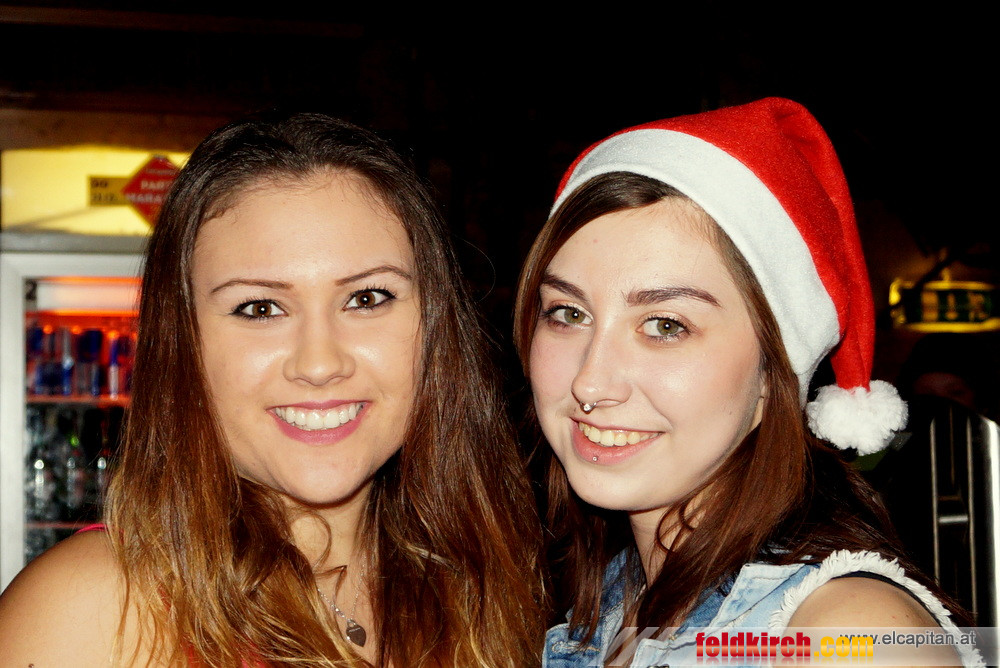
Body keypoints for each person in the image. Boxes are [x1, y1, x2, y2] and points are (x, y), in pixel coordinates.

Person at [0, 112, 545, 666]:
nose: (320, 363)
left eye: (366, 298)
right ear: (182, 344)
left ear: (437, 326)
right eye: (260, 308)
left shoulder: (492, 586)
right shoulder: (90, 611)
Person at [513, 98, 982, 666]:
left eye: (665, 325)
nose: (590, 382)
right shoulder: (608, 605)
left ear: (771, 373)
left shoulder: (849, 633)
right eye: (567, 313)